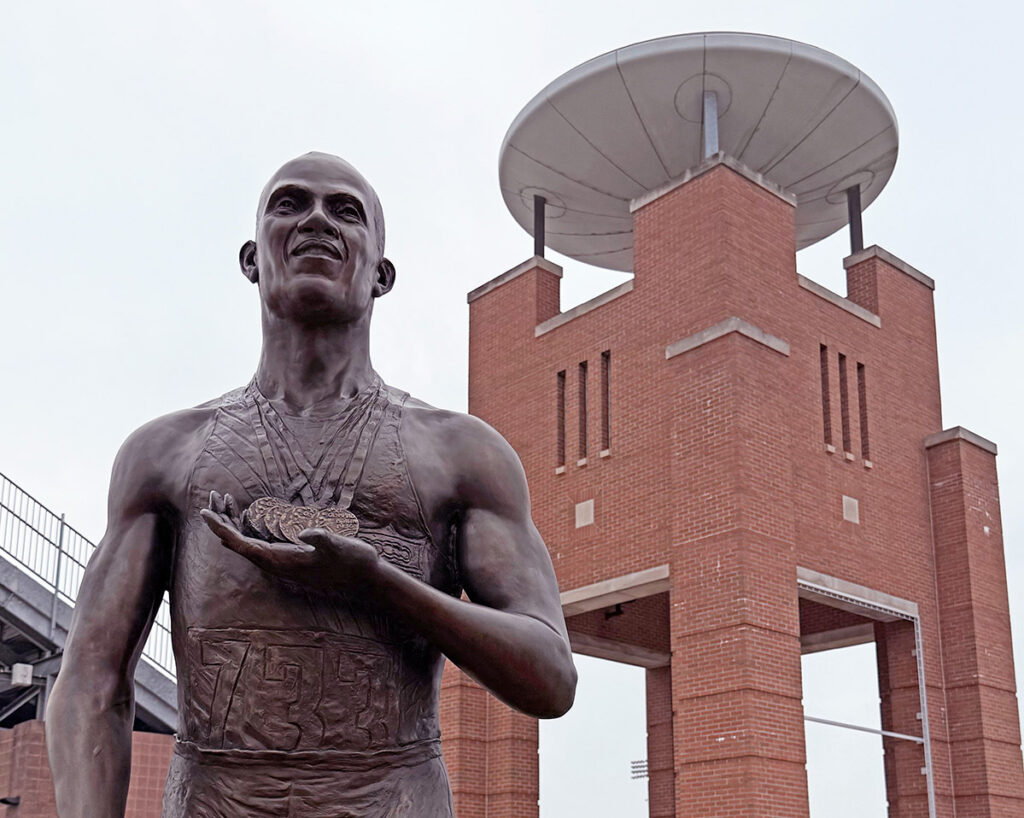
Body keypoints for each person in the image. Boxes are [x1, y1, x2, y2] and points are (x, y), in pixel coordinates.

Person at [46, 152, 577, 818]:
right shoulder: (165, 454)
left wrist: (379, 583)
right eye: (290, 204)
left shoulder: (461, 453)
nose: (317, 220)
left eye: (345, 211)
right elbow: (91, 680)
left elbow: (551, 676)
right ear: (251, 258)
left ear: (381, 274)